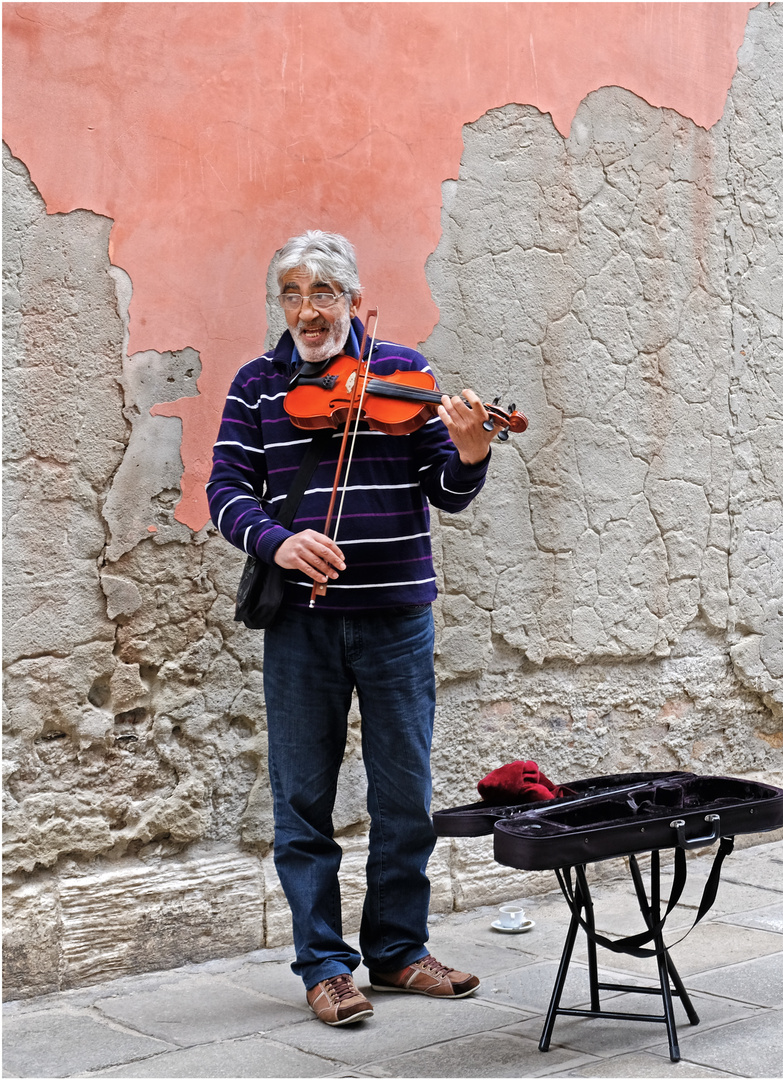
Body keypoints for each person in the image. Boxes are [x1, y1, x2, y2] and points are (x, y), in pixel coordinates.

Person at [208, 231, 496, 1025]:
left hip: (398, 616)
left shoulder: (405, 373)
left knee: (405, 793)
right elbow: (226, 489)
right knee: (303, 799)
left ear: (354, 300)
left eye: (323, 293)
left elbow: (447, 488)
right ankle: (325, 966)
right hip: (300, 624)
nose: (307, 310)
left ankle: (400, 950)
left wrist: (471, 452)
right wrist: (279, 540)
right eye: (293, 294)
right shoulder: (259, 385)